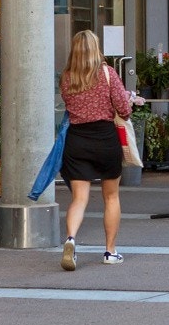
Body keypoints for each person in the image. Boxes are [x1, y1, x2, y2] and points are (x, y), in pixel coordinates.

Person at [58, 29, 141, 270]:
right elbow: (123, 110)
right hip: (105, 139)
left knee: (79, 198)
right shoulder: (107, 73)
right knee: (111, 196)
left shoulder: (66, 77)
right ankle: (110, 251)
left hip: (77, 140)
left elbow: (69, 103)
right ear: (96, 49)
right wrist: (129, 100)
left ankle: (71, 239)